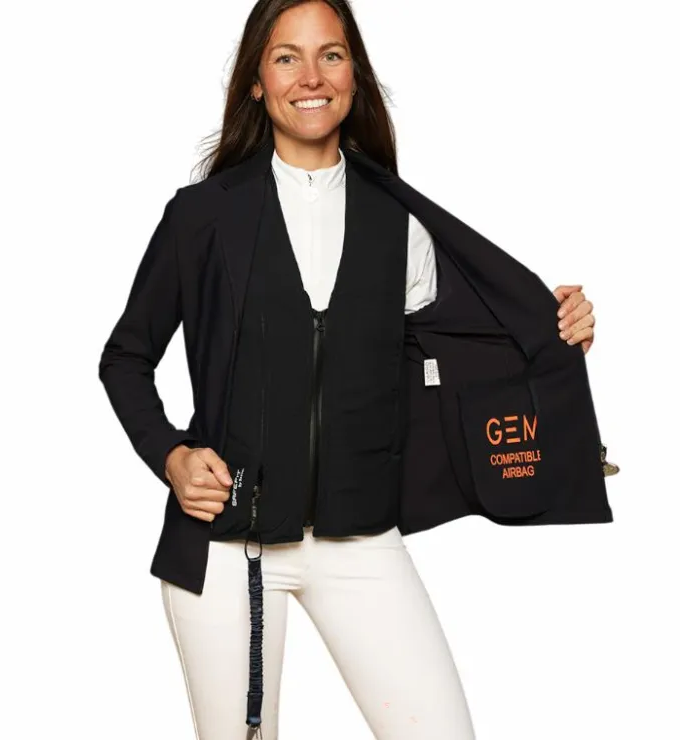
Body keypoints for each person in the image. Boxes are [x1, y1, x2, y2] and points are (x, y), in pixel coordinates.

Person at [98, 1, 616, 738]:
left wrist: (558, 330)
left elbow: (472, 346)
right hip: (226, 543)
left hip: (363, 541)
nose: (311, 77)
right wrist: (172, 456)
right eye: (287, 57)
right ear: (256, 82)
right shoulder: (201, 218)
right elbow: (125, 358)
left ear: (355, 76)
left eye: (331, 55)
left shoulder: (399, 223)